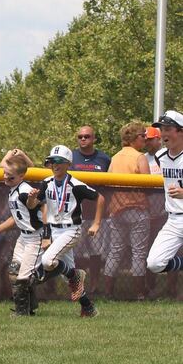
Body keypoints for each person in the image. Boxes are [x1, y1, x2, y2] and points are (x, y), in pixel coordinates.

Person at [34, 145, 103, 318]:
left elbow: (100, 198)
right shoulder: (46, 182)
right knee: (70, 279)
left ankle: (77, 274)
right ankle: (88, 308)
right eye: (52, 161)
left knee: (48, 261)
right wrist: (30, 199)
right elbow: (39, 207)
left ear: (68, 164)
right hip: (54, 229)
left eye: (59, 161)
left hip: (71, 230)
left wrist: (96, 223)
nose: (55, 165)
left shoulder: (75, 184)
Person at [0, 149, 42, 316]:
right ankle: (29, 305)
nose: (6, 178)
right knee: (14, 271)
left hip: (36, 238)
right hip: (24, 237)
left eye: (10, 176)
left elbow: (32, 204)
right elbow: (15, 218)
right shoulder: (14, 187)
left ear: (21, 176)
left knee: (23, 277)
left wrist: (32, 199)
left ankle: (22, 312)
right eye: (5, 174)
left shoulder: (23, 191)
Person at [103, 122, 150, 299]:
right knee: (138, 252)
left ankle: (108, 292)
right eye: (142, 136)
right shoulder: (139, 157)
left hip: (116, 209)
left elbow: (107, 183)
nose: (145, 139)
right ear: (133, 138)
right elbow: (148, 184)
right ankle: (139, 293)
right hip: (137, 208)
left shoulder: (115, 157)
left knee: (115, 251)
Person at [70, 125, 111, 295]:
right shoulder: (70, 157)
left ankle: (94, 284)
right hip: (75, 213)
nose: (83, 139)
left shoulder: (104, 159)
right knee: (77, 254)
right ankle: (79, 286)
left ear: (94, 138)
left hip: (97, 214)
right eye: (80, 137)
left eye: (87, 136)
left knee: (96, 254)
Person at [146, 111, 183, 280]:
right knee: (154, 263)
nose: (164, 133)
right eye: (162, 128)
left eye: (168, 128)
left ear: (180, 131)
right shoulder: (160, 156)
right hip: (174, 220)